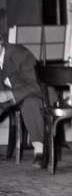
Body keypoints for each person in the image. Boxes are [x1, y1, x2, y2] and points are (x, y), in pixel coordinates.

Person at [0, 35, 45, 166]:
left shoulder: (20, 54)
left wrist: (10, 95)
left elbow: (36, 85)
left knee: (30, 103)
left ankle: (40, 151)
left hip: (37, 94)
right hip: (12, 97)